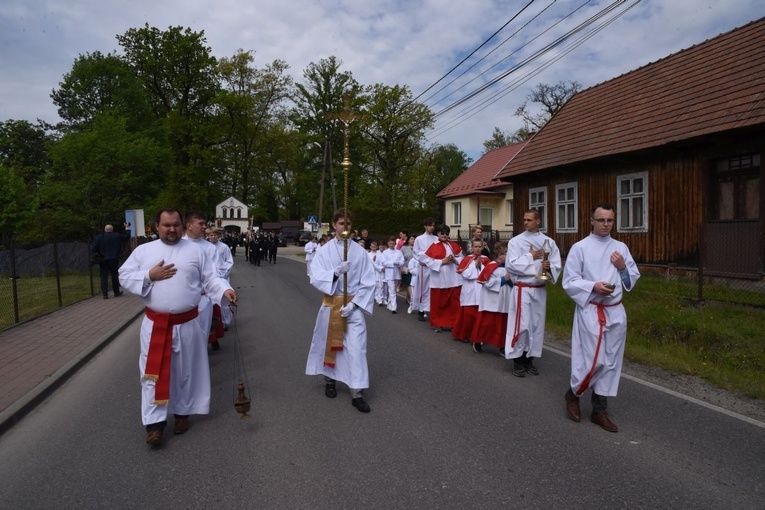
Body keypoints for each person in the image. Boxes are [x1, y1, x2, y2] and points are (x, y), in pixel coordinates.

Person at [119, 208, 236, 446]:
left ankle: (182, 414)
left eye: (175, 225)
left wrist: (224, 290)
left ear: (182, 226)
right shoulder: (144, 251)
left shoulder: (197, 251)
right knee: (153, 374)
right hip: (156, 325)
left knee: (185, 371)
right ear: (157, 227)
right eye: (166, 225)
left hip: (188, 323)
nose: (171, 229)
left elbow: (210, 278)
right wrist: (149, 276)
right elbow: (124, 275)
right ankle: (154, 425)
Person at [562, 203, 640, 433]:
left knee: (611, 361)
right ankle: (573, 393)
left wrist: (623, 267)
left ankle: (599, 410)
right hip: (591, 310)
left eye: (610, 220)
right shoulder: (580, 248)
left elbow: (630, 280)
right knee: (593, 360)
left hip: (615, 310)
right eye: (602, 220)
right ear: (592, 221)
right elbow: (570, 281)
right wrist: (593, 286)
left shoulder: (621, 248)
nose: (606, 224)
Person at [305, 209, 375, 413]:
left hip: (353, 307)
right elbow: (315, 276)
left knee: (357, 349)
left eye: (349, 224)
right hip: (331, 305)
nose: (345, 228)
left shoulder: (360, 252)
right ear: (334, 225)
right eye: (342, 224)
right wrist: (335, 274)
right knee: (331, 346)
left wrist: (354, 305)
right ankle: (330, 380)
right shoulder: (324, 251)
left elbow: (369, 282)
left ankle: (357, 392)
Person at [504, 209, 562, 377]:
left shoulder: (549, 242)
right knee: (521, 325)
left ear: (538, 221)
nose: (525, 222)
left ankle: (530, 359)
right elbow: (512, 266)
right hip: (522, 289)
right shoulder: (516, 242)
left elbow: (557, 265)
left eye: (529, 219)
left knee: (536, 325)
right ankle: (517, 360)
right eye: (524, 219)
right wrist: (530, 256)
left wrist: (548, 267)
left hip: (539, 290)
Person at [471, 243, 512, 354]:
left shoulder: (509, 267)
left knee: (503, 324)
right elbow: (487, 282)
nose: (508, 256)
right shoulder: (491, 266)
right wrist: (503, 279)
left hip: (505, 299)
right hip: (491, 300)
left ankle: (502, 346)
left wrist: (511, 281)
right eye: (506, 254)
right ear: (499, 255)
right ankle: (478, 341)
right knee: (487, 323)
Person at [423, 224, 464, 332]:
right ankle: (438, 324)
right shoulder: (433, 246)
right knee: (438, 303)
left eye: (446, 233)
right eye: (442, 233)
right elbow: (427, 261)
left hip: (453, 278)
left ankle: (453, 323)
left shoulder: (454, 245)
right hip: (439, 278)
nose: (445, 235)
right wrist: (442, 261)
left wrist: (455, 260)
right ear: (438, 234)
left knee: (453, 303)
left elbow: (462, 259)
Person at [452, 239, 490, 343]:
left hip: (481, 290)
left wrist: (481, 266)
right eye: (475, 247)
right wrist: (474, 266)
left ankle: (479, 337)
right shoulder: (467, 259)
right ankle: (465, 335)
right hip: (470, 290)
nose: (477, 249)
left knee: (480, 316)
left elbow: (489, 274)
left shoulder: (486, 259)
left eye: (479, 247)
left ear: (482, 247)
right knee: (469, 316)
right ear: (472, 248)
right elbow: (466, 274)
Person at [91, 223, 131, 299]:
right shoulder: (117, 236)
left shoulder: (99, 237)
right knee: (114, 275)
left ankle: (105, 294)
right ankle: (116, 292)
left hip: (103, 259)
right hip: (114, 258)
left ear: (105, 230)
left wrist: (98, 255)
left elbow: (93, 249)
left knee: (103, 276)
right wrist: (127, 227)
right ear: (112, 230)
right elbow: (127, 236)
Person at [207, 227, 234, 331]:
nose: (213, 237)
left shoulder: (224, 247)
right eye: (211, 235)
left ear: (218, 236)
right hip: (211, 278)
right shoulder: (206, 247)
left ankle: (225, 321)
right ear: (208, 236)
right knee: (213, 300)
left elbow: (229, 261)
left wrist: (223, 274)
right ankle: (215, 321)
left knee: (224, 300)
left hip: (223, 276)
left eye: (215, 235)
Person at [411, 218, 438, 322]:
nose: (432, 227)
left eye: (433, 225)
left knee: (433, 288)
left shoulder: (436, 238)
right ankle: (421, 310)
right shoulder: (419, 239)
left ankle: (432, 309)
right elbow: (416, 252)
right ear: (425, 226)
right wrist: (425, 258)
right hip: (424, 267)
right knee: (423, 288)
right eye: (430, 225)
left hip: (434, 266)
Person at [379, 236, 405, 313]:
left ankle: (390, 303)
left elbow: (402, 262)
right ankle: (394, 306)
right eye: (390, 243)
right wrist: (392, 263)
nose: (391, 245)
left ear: (395, 244)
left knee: (393, 290)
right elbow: (383, 263)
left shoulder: (399, 252)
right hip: (389, 273)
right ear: (388, 243)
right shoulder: (385, 252)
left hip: (396, 273)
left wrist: (398, 263)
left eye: (393, 243)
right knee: (392, 290)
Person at [399, 235, 416, 312]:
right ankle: (412, 300)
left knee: (412, 284)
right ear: (408, 240)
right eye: (412, 239)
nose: (413, 240)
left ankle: (408, 298)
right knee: (409, 284)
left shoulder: (417, 248)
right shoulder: (404, 248)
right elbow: (400, 258)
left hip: (415, 269)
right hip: (406, 269)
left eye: (414, 239)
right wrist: (401, 267)